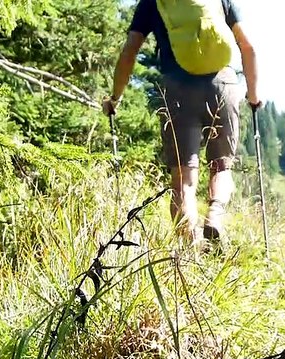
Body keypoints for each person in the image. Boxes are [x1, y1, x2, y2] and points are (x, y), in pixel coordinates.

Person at [104, 0, 260, 246]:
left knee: (183, 180)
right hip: (223, 84)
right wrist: (253, 96)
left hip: (178, 89)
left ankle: (190, 253)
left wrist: (115, 97)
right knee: (221, 166)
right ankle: (215, 217)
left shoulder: (152, 2)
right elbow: (248, 48)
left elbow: (130, 50)